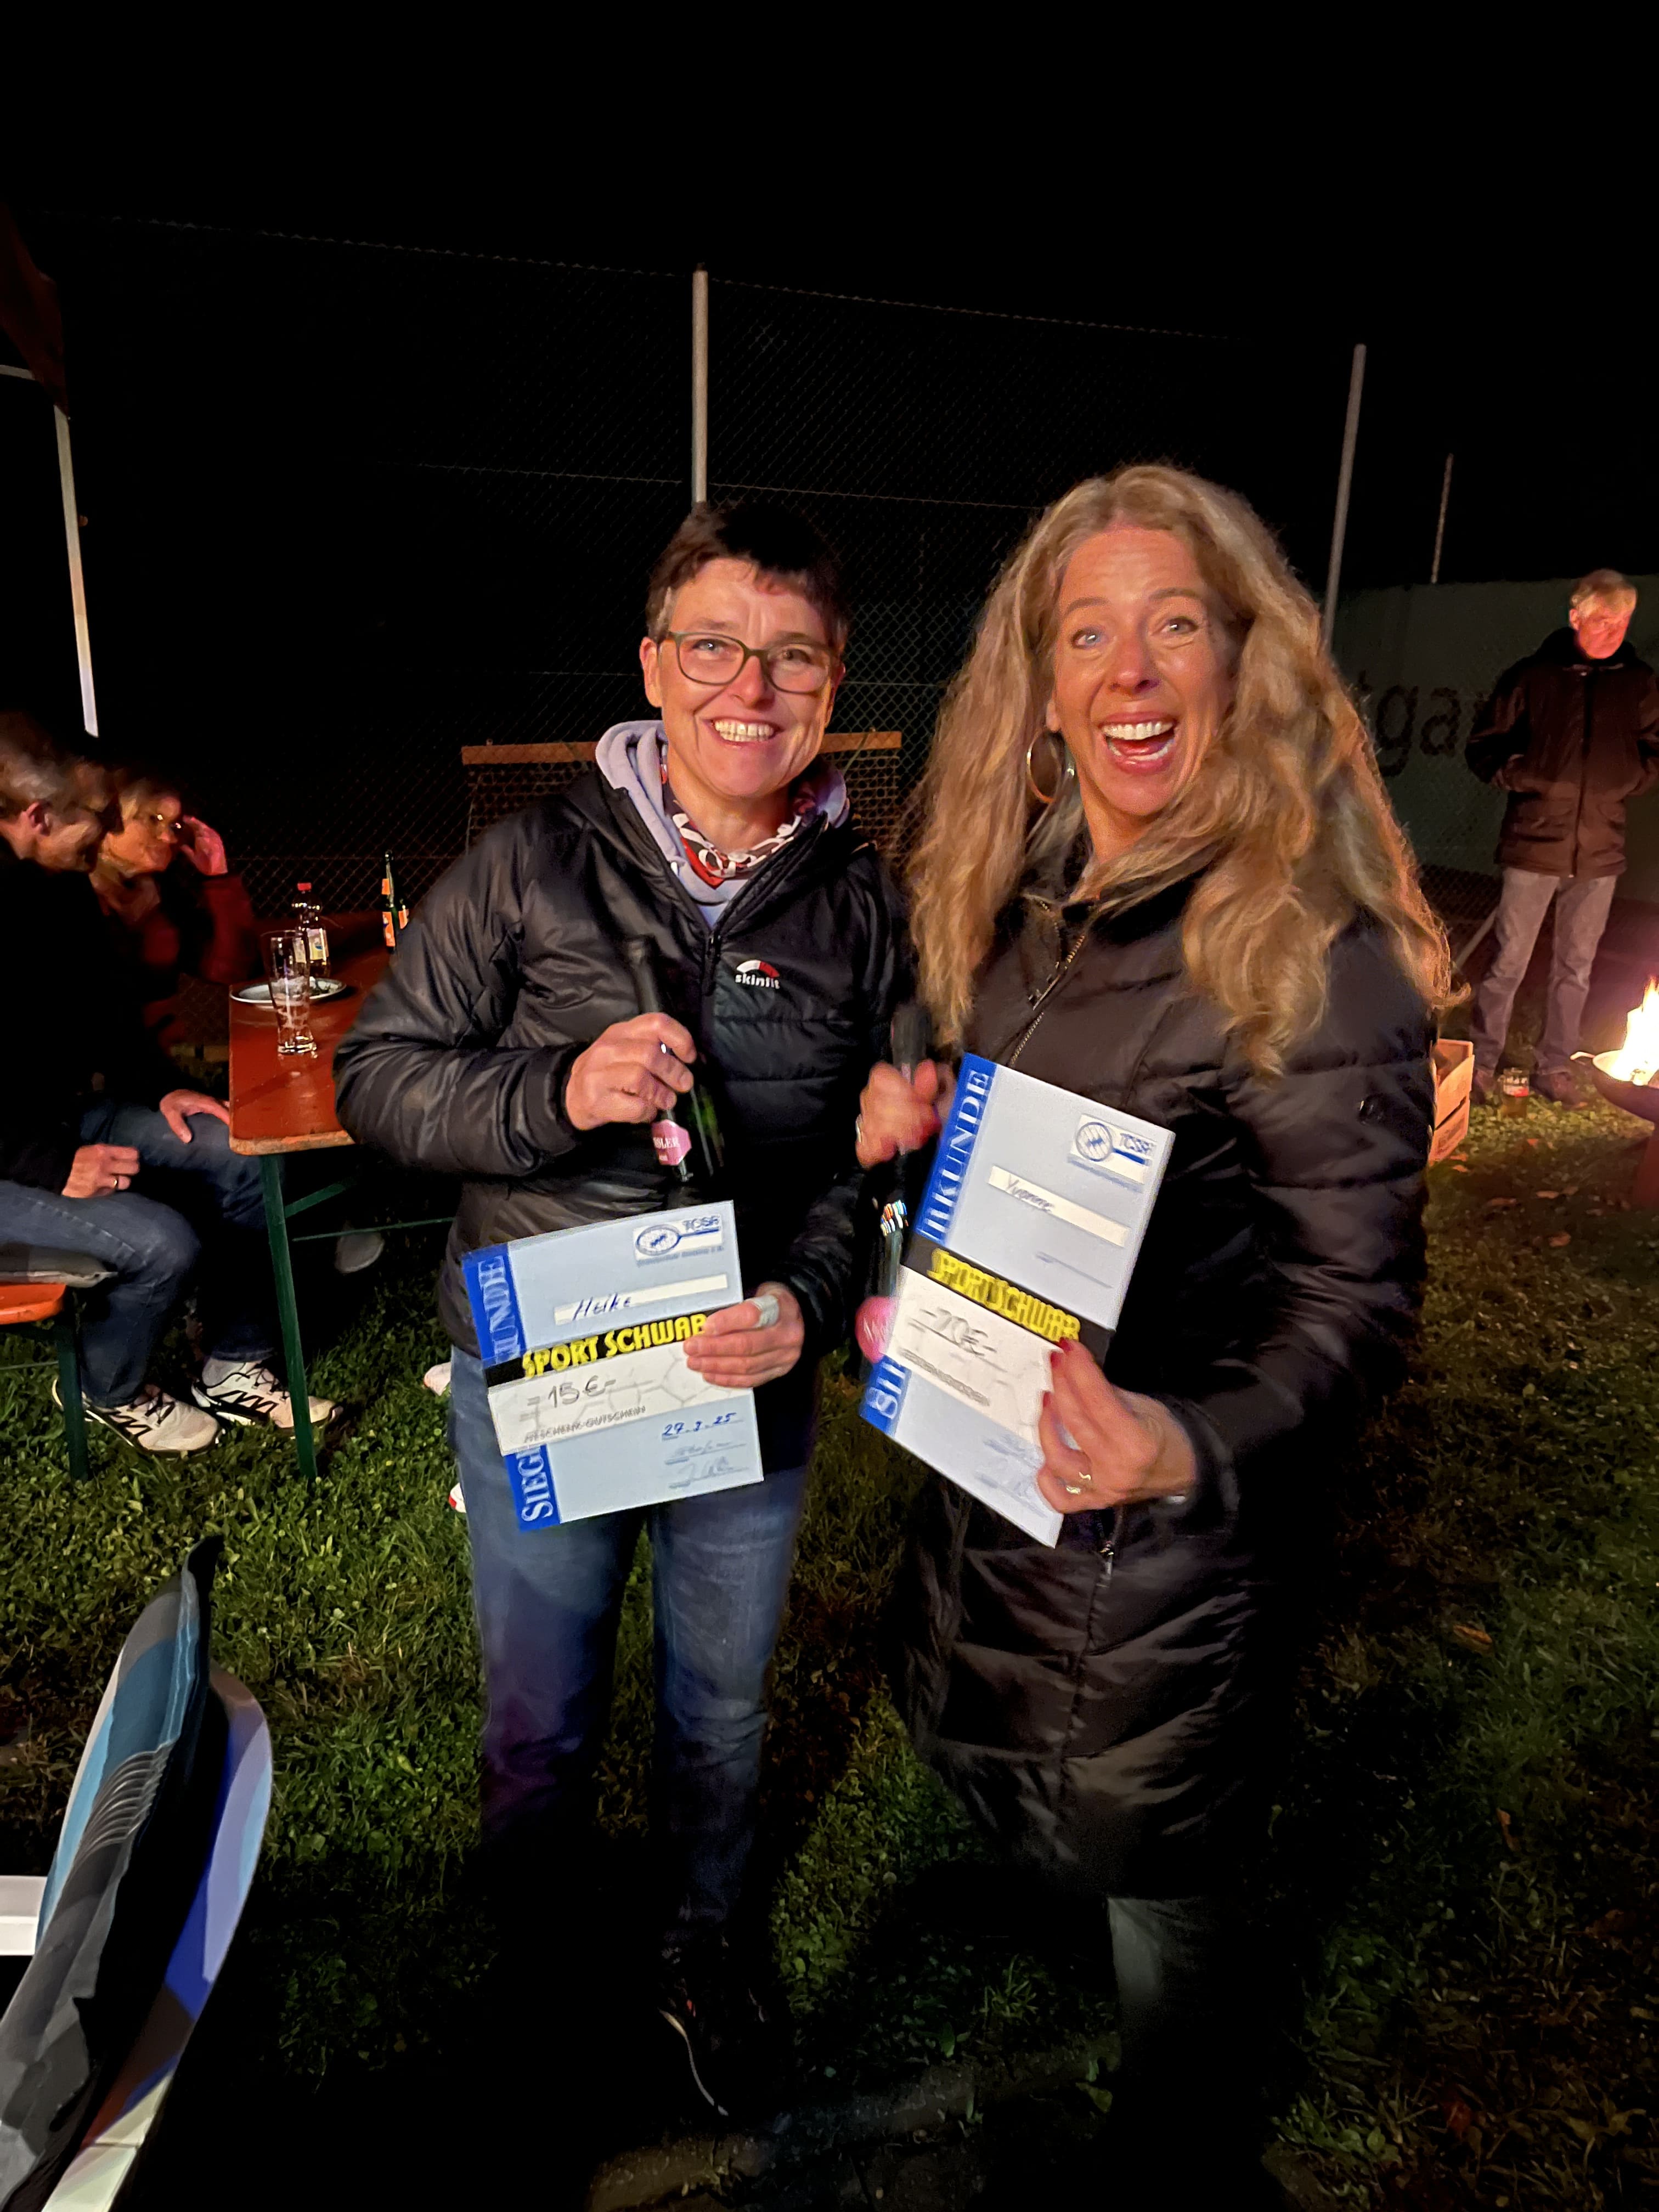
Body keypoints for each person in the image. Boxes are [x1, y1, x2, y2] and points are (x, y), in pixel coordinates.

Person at [855, 467, 1447, 2201]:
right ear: (1038, 686)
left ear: (1243, 662)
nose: (1131, 671)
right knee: (1071, 1828)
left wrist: (1185, 1443)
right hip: (1005, 1508)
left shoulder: (1312, 955)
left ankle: (1183, 2158)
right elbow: (1046, 1157)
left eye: (1175, 625)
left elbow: (1355, 1309)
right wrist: (922, 1137)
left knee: (1161, 1878)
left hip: (1166, 1566)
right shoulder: (1029, 897)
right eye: (1089, 633)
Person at [334, 503, 907, 2117]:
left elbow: (866, 1161)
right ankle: (538, 1969)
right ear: (656, 666)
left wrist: (806, 1301)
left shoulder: (865, 909)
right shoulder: (529, 866)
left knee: (719, 1715)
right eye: (715, 646)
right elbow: (375, 1077)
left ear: (835, 681)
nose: (752, 688)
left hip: (744, 1383)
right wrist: (553, 1092)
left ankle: (699, 1947)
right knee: (543, 1717)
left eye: (792, 656)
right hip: (554, 1366)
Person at [0, 712, 333, 1450]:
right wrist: (53, 1166)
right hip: (21, 1154)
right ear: (38, 815)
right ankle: (104, 1386)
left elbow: (107, 1015)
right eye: (101, 817)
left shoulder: (54, 886)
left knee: (238, 1147)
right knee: (163, 1245)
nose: (109, 831)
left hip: (62, 1119)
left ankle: (235, 1360)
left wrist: (160, 1088)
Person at [1465, 570, 1659, 1107]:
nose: (1613, 632)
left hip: (1600, 851)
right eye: (1602, 621)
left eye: (1623, 622)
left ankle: (1555, 1067)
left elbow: (1655, 748)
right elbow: (1483, 747)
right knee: (1509, 962)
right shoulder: (1532, 677)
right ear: (1575, 617)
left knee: (1576, 968)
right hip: (1534, 843)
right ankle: (1482, 1062)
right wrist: (1527, 775)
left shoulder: (1638, 683)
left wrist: (1628, 780)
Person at [89, 765, 260, 1045]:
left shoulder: (163, 892)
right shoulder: (73, 893)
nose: (168, 838)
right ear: (111, 821)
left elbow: (230, 969)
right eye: (153, 819)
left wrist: (218, 877)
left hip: (154, 1055)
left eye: (174, 826)